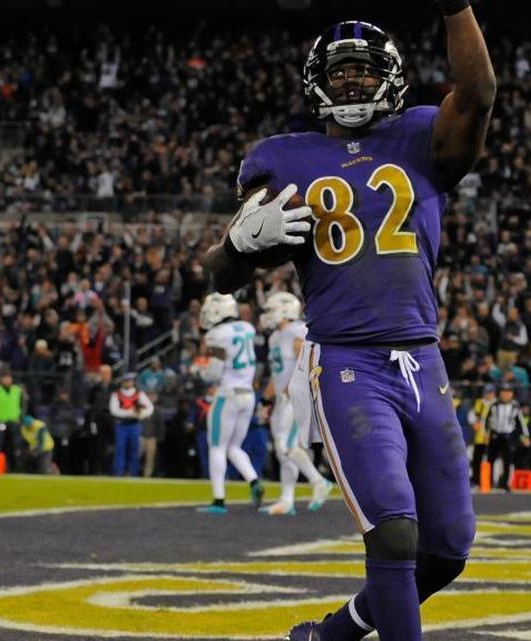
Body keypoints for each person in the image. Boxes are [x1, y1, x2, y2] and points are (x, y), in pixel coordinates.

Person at [202, 2, 495, 638]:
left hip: (424, 356)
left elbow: (476, 93)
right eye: (340, 74)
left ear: (389, 77)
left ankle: (330, 635)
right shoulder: (281, 158)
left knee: (445, 549)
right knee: (392, 531)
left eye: (364, 71)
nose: (353, 82)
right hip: (347, 360)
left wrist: (454, 8)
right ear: (317, 83)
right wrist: (239, 246)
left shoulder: (420, 133)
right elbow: (219, 273)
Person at [260, 292, 332, 516]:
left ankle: (319, 481)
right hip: (283, 398)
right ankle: (286, 500)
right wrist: (265, 400)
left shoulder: (296, 331)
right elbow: (277, 373)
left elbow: (308, 365)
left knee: (286, 446)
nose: (268, 315)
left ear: (284, 310)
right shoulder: (275, 337)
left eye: (271, 310)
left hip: (295, 396)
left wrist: (297, 391)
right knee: (284, 451)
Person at [195, 293, 265, 513]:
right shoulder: (246, 328)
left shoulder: (217, 335)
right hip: (248, 394)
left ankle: (218, 500)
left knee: (217, 446)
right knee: (234, 447)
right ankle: (254, 481)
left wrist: (199, 371)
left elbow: (214, 372)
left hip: (228, 394)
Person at [481, 384, 531, 490]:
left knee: (508, 460)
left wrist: (525, 436)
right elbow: (486, 420)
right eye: (503, 392)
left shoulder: (514, 406)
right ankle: (488, 482)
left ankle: (505, 483)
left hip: (508, 436)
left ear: (512, 394)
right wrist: (485, 433)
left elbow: (521, 422)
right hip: (495, 435)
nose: (505, 395)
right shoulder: (494, 405)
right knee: (491, 459)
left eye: (508, 392)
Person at [109, 372, 153, 477]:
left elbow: (150, 408)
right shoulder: (117, 394)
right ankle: (118, 472)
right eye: (127, 381)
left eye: (131, 381)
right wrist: (130, 413)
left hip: (134, 425)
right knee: (120, 448)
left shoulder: (139, 394)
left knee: (134, 449)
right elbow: (114, 410)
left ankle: (133, 472)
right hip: (121, 424)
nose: (129, 383)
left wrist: (142, 414)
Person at [0, 370, 26, 470]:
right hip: (0, 421)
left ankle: (17, 468)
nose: (7, 380)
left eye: (8, 378)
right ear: (1, 379)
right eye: (5, 378)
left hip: (14, 421)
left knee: (16, 446)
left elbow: (23, 405)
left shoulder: (18, 390)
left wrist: (20, 418)